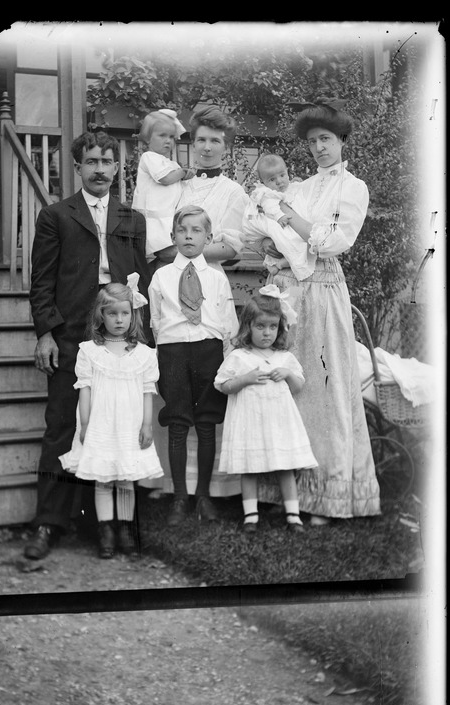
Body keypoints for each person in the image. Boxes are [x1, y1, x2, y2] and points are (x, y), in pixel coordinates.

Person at [25, 130, 151, 560]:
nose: (100, 170)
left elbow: (140, 281)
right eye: (91, 162)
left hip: (118, 337)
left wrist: (139, 340)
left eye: (107, 161)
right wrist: (45, 333)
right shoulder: (56, 216)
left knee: (118, 425)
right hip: (72, 335)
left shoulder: (132, 219)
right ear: (77, 167)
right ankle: (49, 522)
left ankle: (113, 526)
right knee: (64, 425)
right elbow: (41, 279)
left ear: (117, 167)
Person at [257, 98, 381, 524]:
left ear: (342, 141)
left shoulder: (353, 188)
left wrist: (291, 221)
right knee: (291, 386)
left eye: (326, 139)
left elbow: (331, 242)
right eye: (312, 142)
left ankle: (329, 496)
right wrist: (283, 226)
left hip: (326, 291)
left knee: (326, 391)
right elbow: (274, 232)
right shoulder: (301, 188)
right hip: (290, 289)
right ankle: (289, 495)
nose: (319, 148)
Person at [140, 105, 249, 499]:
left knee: (207, 391)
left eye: (215, 142)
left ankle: (211, 489)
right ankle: (170, 484)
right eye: (200, 139)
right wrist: (169, 254)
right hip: (170, 288)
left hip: (208, 286)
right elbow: (157, 225)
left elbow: (232, 246)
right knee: (174, 388)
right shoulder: (177, 183)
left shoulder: (233, 192)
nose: (206, 147)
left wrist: (186, 255)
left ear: (226, 148)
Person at [59, 277, 163, 558]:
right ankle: (105, 531)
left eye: (125, 313)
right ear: (101, 315)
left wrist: (146, 424)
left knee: (126, 478)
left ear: (133, 315)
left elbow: (146, 391)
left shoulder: (144, 354)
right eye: (112, 313)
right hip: (100, 423)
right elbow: (84, 390)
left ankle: (126, 531)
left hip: (130, 423)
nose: (119, 320)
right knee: (103, 478)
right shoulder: (89, 352)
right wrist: (85, 424)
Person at [148, 205, 238, 526]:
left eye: (196, 230)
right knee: (177, 424)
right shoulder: (160, 276)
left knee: (206, 424)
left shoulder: (216, 278)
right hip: (173, 352)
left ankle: (203, 495)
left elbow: (228, 323)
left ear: (208, 237)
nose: (188, 235)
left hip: (209, 352)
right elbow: (156, 321)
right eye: (182, 230)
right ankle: (179, 497)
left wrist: (225, 361)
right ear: (172, 237)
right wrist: (165, 352)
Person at [214, 286, 318, 532]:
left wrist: (288, 374)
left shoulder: (284, 358)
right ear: (248, 326)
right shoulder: (239, 356)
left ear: (280, 328)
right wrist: (245, 379)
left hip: (279, 423)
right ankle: (251, 516)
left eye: (272, 327)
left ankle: (293, 515)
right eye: (260, 327)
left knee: (285, 466)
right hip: (249, 423)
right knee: (249, 467)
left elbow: (299, 385)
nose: (267, 333)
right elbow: (223, 385)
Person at [131, 109, 195, 267]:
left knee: (169, 259)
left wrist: (186, 175)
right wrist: (182, 172)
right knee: (169, 253)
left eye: (172, 137)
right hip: (152, 218)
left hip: (167, 217)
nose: (168, 141)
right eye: (162, 135)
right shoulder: (149, 158)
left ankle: (153, 272)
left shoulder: (171, 164)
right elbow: (165, 178)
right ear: (147, 138)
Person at [242, 153, 312, 281]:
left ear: (287, 172)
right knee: (289, 242)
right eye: (272, 180)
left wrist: (297, 183)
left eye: (282, 175)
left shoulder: (292, 187)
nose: (279, 181)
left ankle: (280, 263)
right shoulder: (267, 194)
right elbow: (270, 208)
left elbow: (299, 193)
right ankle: (279, 264)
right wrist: (280, 217)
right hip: (280, 222)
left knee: (296, 243)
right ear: (263, 182)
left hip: (297, 227)